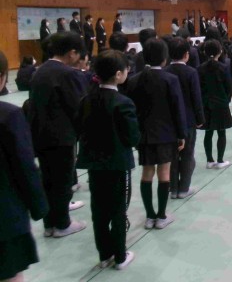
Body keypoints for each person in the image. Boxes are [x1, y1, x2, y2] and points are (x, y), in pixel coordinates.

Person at [75, 50, 139, 270]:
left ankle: (104, 254)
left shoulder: (86, 100)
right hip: (117, 163)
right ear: (119, 74)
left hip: (94, 163)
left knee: (99, 209)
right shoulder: (123, 102)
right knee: (118, 209)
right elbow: (132, 136)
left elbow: (79, 128)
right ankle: (120, 256)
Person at [28, 31, 87, 238]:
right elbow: (78, 106)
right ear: (72, 53)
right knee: (62, 181)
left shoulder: (40, 71)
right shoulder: (67, 74)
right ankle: (62, 224)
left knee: (48, 180)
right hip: (62, 136)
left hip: (40, 135)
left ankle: (50, 224)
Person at [126, 39, 186, 230]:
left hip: (143, 134)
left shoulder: (134, 80)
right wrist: (182, 134)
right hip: (166, 133)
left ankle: (149, 215)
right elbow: (177, 109)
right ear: (164, 58)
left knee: (147, 172)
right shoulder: (170, 79)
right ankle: (161, 215)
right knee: (164, 172)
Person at [0, 49, 49, 282]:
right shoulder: (8, 116)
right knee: (11, 274)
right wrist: (39, 207)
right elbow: (24, 166)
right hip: (5, 216)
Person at [164, 38, 205, 199]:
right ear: (186, 55)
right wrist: (200, 118)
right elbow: (196, 97)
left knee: (172, 155)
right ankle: (184, 188)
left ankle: (173, 188)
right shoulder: (191, 72)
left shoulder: (165, 72)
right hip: (188, 119)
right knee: (188, 154)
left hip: (169, 120)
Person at [198, 40, 232, 169]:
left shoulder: (200, 68)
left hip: (206, 104)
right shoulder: (224, 68)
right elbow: (229, 87)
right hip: (221, 103)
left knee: (208, 133)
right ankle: (220, 160)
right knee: (221, 133)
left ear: (204, 52)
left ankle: (209, 160)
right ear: (220, 52)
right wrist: (226, 100)